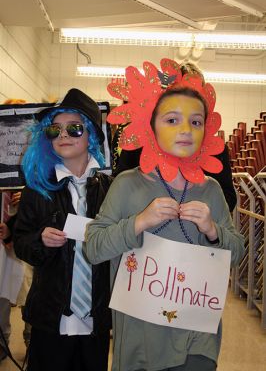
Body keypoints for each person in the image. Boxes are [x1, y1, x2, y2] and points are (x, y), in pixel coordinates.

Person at [86, 60, 245, 371]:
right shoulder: (127, 184)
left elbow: (236, 252)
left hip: (196, 338)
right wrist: (139, 222)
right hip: (140, 339)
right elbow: (93, 247)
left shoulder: (211, 189)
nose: (186, 130)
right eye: (172, 120)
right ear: (151, 126)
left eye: (196, 122)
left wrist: (214, 230)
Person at [13, 88, 112, 371]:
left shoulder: (111, 189)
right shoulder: (37, 188)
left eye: (74, 128)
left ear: (92, 134)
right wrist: (40, 240)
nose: (64, 135)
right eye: (55, 130)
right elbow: (21, 241)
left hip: (96, 319)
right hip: (51, 317)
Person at [111, 61, 237, 212]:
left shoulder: (214, 149)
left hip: (197, 231)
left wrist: (201, 212)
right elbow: (120, 189)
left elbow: (228, 198)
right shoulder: (141, 140)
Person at [0, 191, 32, 363]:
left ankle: (32, 341)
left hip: (25, 235)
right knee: (3, 290)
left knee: (28, 289)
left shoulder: (30, 169)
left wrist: (28, 193)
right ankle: (2, 341)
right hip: (5, 237)